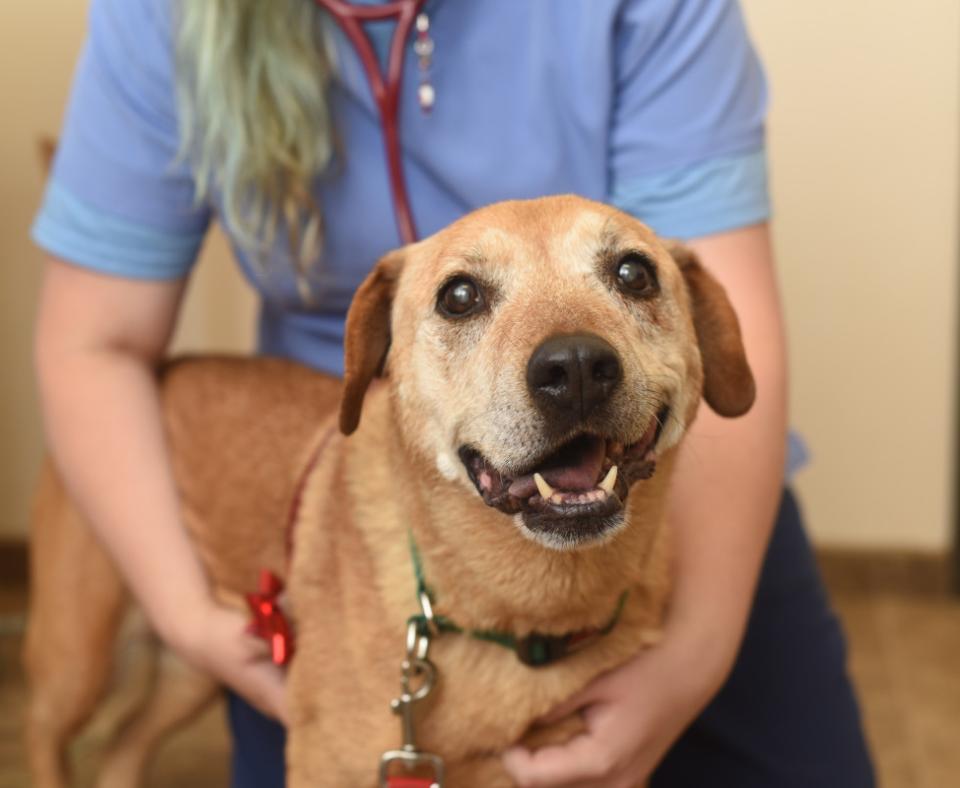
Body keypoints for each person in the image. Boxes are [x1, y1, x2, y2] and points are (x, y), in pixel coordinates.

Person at [31, 0, 875, 785]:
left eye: (626, 274)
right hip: (364, 487)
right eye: (464, 299)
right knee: (71, 692)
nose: (570, 356)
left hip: (696, 500)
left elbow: (733, 338)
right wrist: (186, 615)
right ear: (378, 360)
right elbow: (92, 343)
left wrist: (700, 648)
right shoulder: (160, 14)